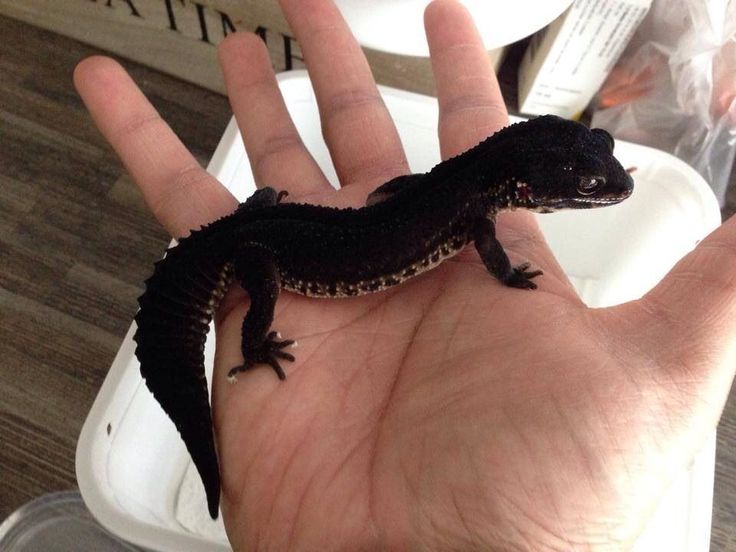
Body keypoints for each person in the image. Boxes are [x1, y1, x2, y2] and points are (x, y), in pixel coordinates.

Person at [73, 0, 736, 549]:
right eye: (590, 186)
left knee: (260, 229)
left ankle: (257, 226)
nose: (604, 190)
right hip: (261, 249)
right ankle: (254, 338)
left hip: (265, 229)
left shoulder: (465, 181)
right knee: (258, 263)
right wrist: (505, 275)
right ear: (527, 188)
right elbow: (483, 242)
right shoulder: (476, 204)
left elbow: (427, 184)